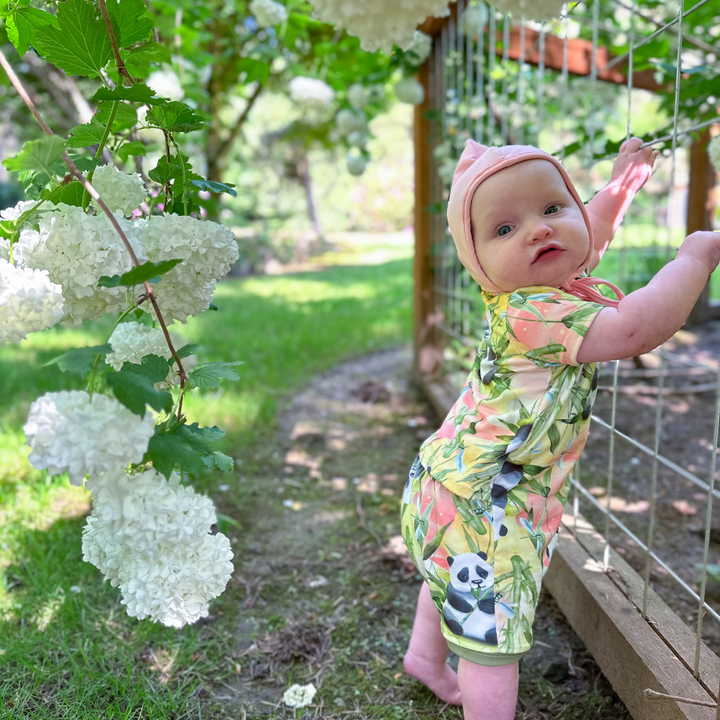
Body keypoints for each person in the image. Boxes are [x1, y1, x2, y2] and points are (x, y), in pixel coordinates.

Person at [400, 137, 720, 720]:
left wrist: (624, 183)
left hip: (448, 483)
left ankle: (424, 658)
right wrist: (695, 258)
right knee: (490, 643)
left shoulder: (547, 281)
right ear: (479, 266)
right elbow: (631, 331)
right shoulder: (533, 311)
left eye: (552, 208)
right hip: (490, 508)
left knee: (450, 574)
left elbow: (588, 231)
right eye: (504, 229)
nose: (538, 231)